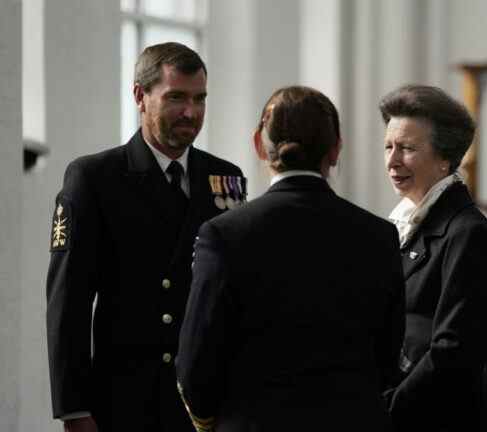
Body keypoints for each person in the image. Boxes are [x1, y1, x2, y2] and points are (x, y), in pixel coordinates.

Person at [176, 85, 405, 432]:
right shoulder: (379, 236)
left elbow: (196, 364)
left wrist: (209, 420)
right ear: (335, 149)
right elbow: (387, 360)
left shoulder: (223, 235)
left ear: (259, 145)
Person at [45, 42, 244, 432]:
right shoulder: (95, 178)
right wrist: (74, 409)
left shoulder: (225, 177)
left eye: (200, 98)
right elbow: (68, 301)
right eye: (176, 98)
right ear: (140, 95)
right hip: (125, 404)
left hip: (205, 407)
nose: (191, 112)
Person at [380, 84, 487, 432]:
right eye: (389, 146)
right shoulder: (400, 221)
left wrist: (388, 407)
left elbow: (454, 349)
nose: (392, 161)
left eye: (407, 148)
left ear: (445, 157)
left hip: (438, 417)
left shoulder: (466, 231)